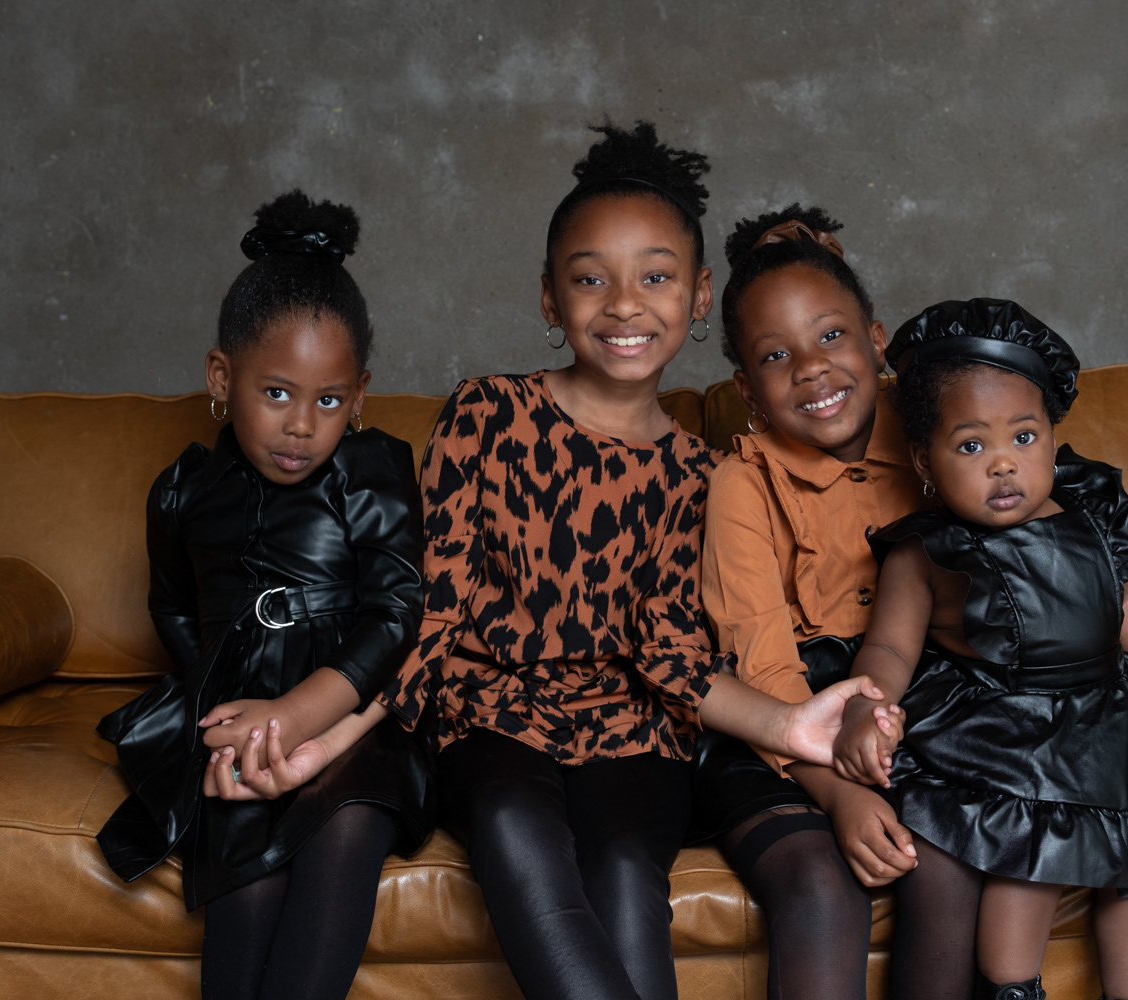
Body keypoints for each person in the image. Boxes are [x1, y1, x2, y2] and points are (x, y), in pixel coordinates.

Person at [250, 123, 888, 1000]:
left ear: (700, 295)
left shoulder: (701, 473)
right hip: (489, 715)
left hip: (637, 727)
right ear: (551, 300)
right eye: (591, 279)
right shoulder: (486, 414)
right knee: (515, 823)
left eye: (655, 278)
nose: (625, 305)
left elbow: (671, 654)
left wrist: (788, 727)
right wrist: (334, 736)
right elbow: (434, 611)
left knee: (624, 864)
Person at [834, 298, 1128, 1000]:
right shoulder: (926, 552)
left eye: (1023, 437)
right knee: (1030, 863)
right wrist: (867, 708)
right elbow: (891, 650)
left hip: (1109, 713)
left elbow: (1122, 607)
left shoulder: (1088, 518)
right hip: (1011, 732)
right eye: (971, 446)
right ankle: (1013, 988)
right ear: (925, 460)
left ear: (1052, 441)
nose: (1002, 464)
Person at [95, 191, 435, 1000]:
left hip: (352, 715)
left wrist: (298, 714)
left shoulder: (371, 469)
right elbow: (173, 605)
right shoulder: (182, 491)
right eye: (276, 392)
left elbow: (396, 614)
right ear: (222, 376)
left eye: (328, 400)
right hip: (240, 714)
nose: (301, 425)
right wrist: (216, 701)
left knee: (346, 825)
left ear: (359, 395)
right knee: (242, 865)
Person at [698, 205, 984, 1000]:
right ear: (747, 388)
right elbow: (762, 669)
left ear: (877, 340)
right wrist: (839, 794)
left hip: (914, 711)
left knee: (947, 858)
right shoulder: (740, 485)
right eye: (776, 355)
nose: (812, 369)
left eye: (831, 336)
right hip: (774, 727)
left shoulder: (939, 440)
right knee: (821, 880)